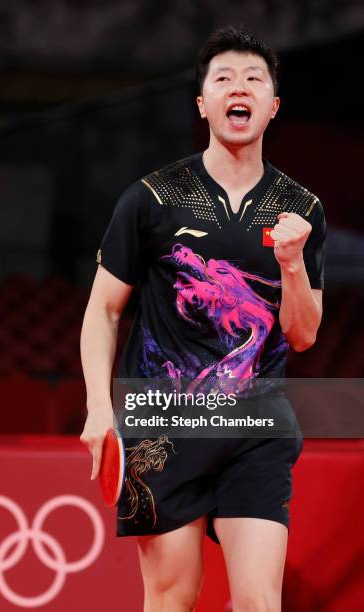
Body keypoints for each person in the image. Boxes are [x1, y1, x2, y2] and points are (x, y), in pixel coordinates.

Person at [80, 26, 326, 612]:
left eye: (253, 80)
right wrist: (97, 407)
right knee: (171, 597)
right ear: (203, 103)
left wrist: (291, 263)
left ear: (272, 106)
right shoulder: (151, 198)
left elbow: (304, 334)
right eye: (223, 79)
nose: (237, 88)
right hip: (164, 424)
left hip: (256, 425)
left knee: (260, 601)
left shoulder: (301, 209)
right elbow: (103, 311)